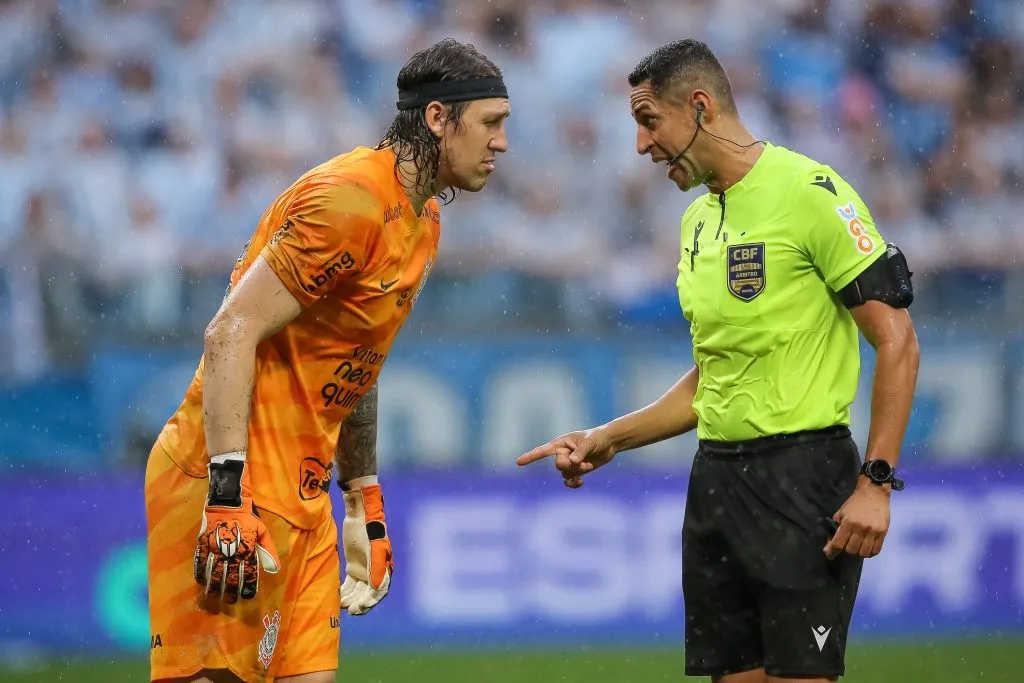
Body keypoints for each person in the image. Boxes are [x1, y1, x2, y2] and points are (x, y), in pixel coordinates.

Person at [517, 39, 919, 683]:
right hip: (717, 482)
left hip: (804, 477)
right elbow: (713, 375)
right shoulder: (695, 223)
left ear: (700, 107)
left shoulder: (810, 192)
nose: (641, 145)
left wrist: (876, 482)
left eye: (649, 121)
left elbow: (897, 340)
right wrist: (608, 438)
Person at [145, 38, 510, 683]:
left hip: (305, 498)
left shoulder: (424, 221)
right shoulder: (349, 200)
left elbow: (358, 362)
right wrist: (226, 496)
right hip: (232, 486)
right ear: (437, 118)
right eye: (490, 123)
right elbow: (229, 331)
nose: (501, 143)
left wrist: (362, 498)